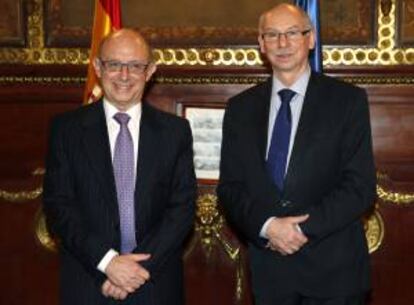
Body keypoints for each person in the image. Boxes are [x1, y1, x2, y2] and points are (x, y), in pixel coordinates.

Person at [217, 4, 376, 305]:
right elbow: (230, 188)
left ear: (311, 39)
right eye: (272, 35)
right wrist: (268, 227)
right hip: (270, 274)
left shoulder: (347, 101)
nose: (283, 43)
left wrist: (299, 229)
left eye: (292, 33)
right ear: (261, 44)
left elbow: (359, 187)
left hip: (335, 273)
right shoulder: (240, 109)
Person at [43, 29, 196, 305]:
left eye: (135, 66)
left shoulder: (175, 132)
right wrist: (109, 263)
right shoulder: (66, 130)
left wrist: (136, 271)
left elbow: (182, 209)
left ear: (150, 71)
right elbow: (59, 206)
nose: (124, 76)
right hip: (90, 282)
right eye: (115, 64)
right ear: (98, 67)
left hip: (154, 283)